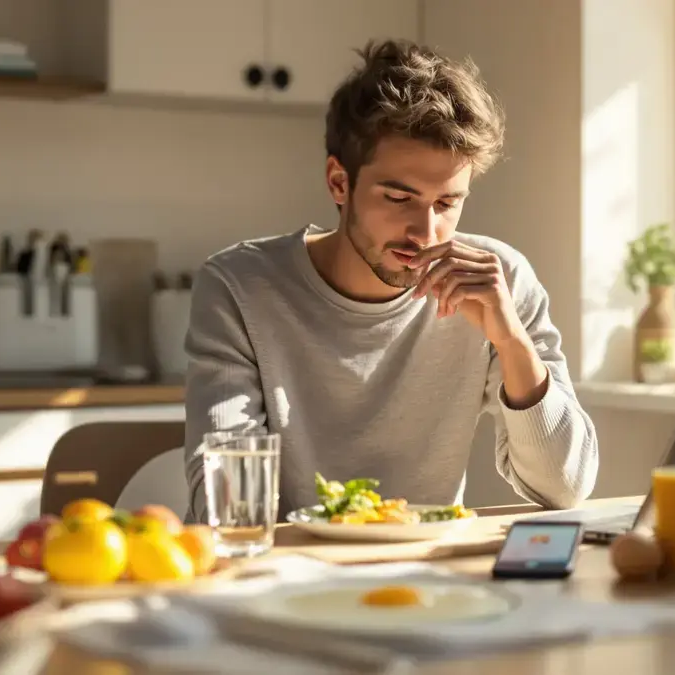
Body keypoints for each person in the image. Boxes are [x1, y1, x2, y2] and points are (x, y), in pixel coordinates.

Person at [183, 39, 598, 523]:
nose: (425, 233)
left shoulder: (495, 280)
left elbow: (564, 490)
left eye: (446, 204)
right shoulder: (240, 287)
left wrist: (511, 343)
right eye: (399, 198)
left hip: (425, 584)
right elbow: (226, 508)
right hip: (283, 581)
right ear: (339, 183)